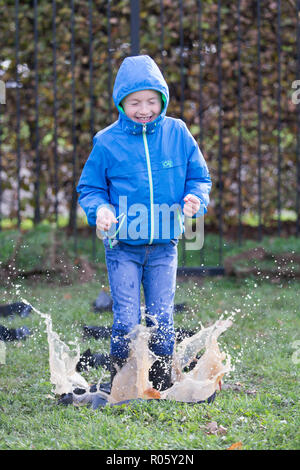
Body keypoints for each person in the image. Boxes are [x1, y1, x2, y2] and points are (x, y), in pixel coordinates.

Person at [76, 55, 212, 392]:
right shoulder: (107, 141)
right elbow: (90, 188)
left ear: (163, 99)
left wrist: (195, 199)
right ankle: (121, 380)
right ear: (120, 102)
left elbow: (199, 177)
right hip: (123, 247)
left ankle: (161, 380)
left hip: (164, 247)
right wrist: (102, 210)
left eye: (152, 100)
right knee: (126, 318)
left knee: (161, 318)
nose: (144, 108)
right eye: (135, 101)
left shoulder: (177, 132)